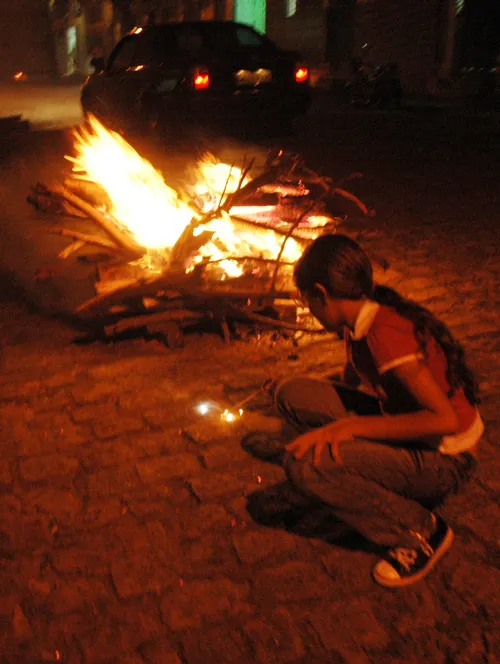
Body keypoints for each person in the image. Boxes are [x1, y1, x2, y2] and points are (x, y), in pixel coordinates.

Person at [274, 234, 483, 588]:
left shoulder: (385, 333)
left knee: (305, 467)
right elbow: (358, 376)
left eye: (307, 300)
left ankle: (419, 532)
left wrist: (350, 430)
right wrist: (339, 413)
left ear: (322, 294)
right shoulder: (360, 316)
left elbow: (444, 419)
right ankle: (359, 477)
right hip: (410, 426)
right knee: (292, 394)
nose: (307, 308)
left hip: (446, 459)